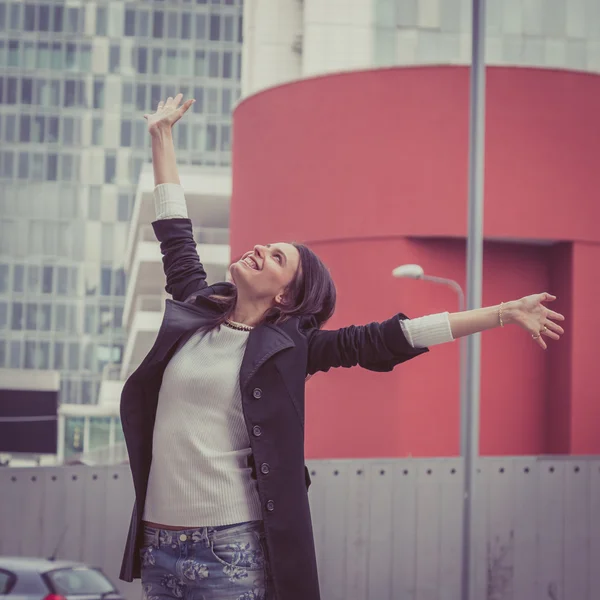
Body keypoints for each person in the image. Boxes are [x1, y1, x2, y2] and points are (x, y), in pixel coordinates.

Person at [119, 94, 565, 600]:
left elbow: (389, 338)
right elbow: (176, 236)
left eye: (278, 256)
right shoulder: (195, 311)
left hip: (229, 548)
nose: (260, 248)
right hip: (159, 544)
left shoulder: (294, 350)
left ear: (286, 295)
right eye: (265, 245)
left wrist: (501, 313)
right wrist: (162, 136)